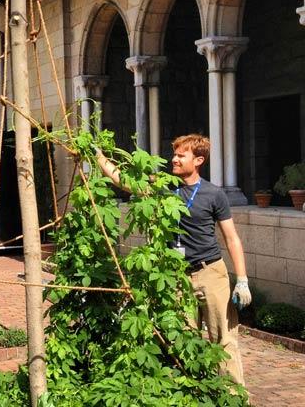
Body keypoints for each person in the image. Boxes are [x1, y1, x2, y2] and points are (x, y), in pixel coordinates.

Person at [95, 133, 251, 385]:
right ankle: (193, 392)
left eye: (181, 155)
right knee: (181, 339)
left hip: (210, 272)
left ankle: (233, 398)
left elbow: (232, 238)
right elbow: (125, 181)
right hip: (176, 276)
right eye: (175, 153)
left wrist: (242, 279)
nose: (174, 159)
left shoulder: (214, 194)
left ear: (198, 160)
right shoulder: (163, 187)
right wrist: (100, 158)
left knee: (224, 339)